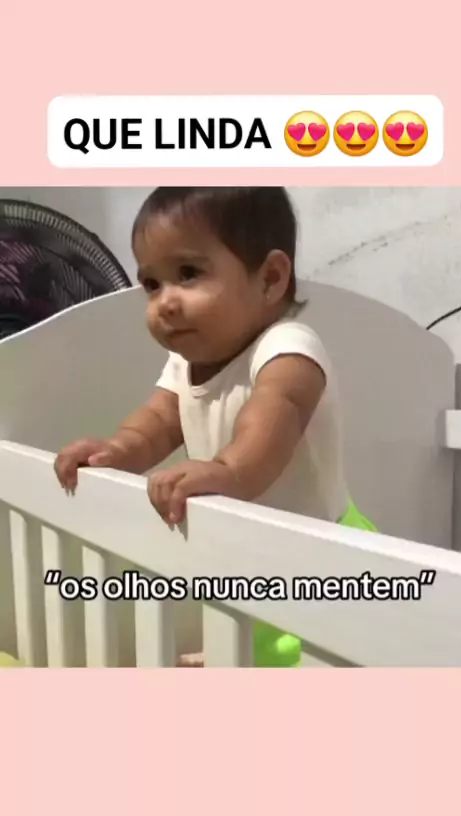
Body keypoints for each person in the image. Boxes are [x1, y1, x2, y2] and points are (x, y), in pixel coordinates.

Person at [54, 187, 376, 667]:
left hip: (327, 565)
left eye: (188, 273)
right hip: (258, 561)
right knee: (255, 637)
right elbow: (156, 423)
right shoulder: (183, 365)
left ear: (270, 279)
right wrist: (116, 452)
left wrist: (229, 471)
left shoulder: (288, 349)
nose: (165, 301)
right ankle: (237, 655)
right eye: (152, 284)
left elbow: (274, 413)